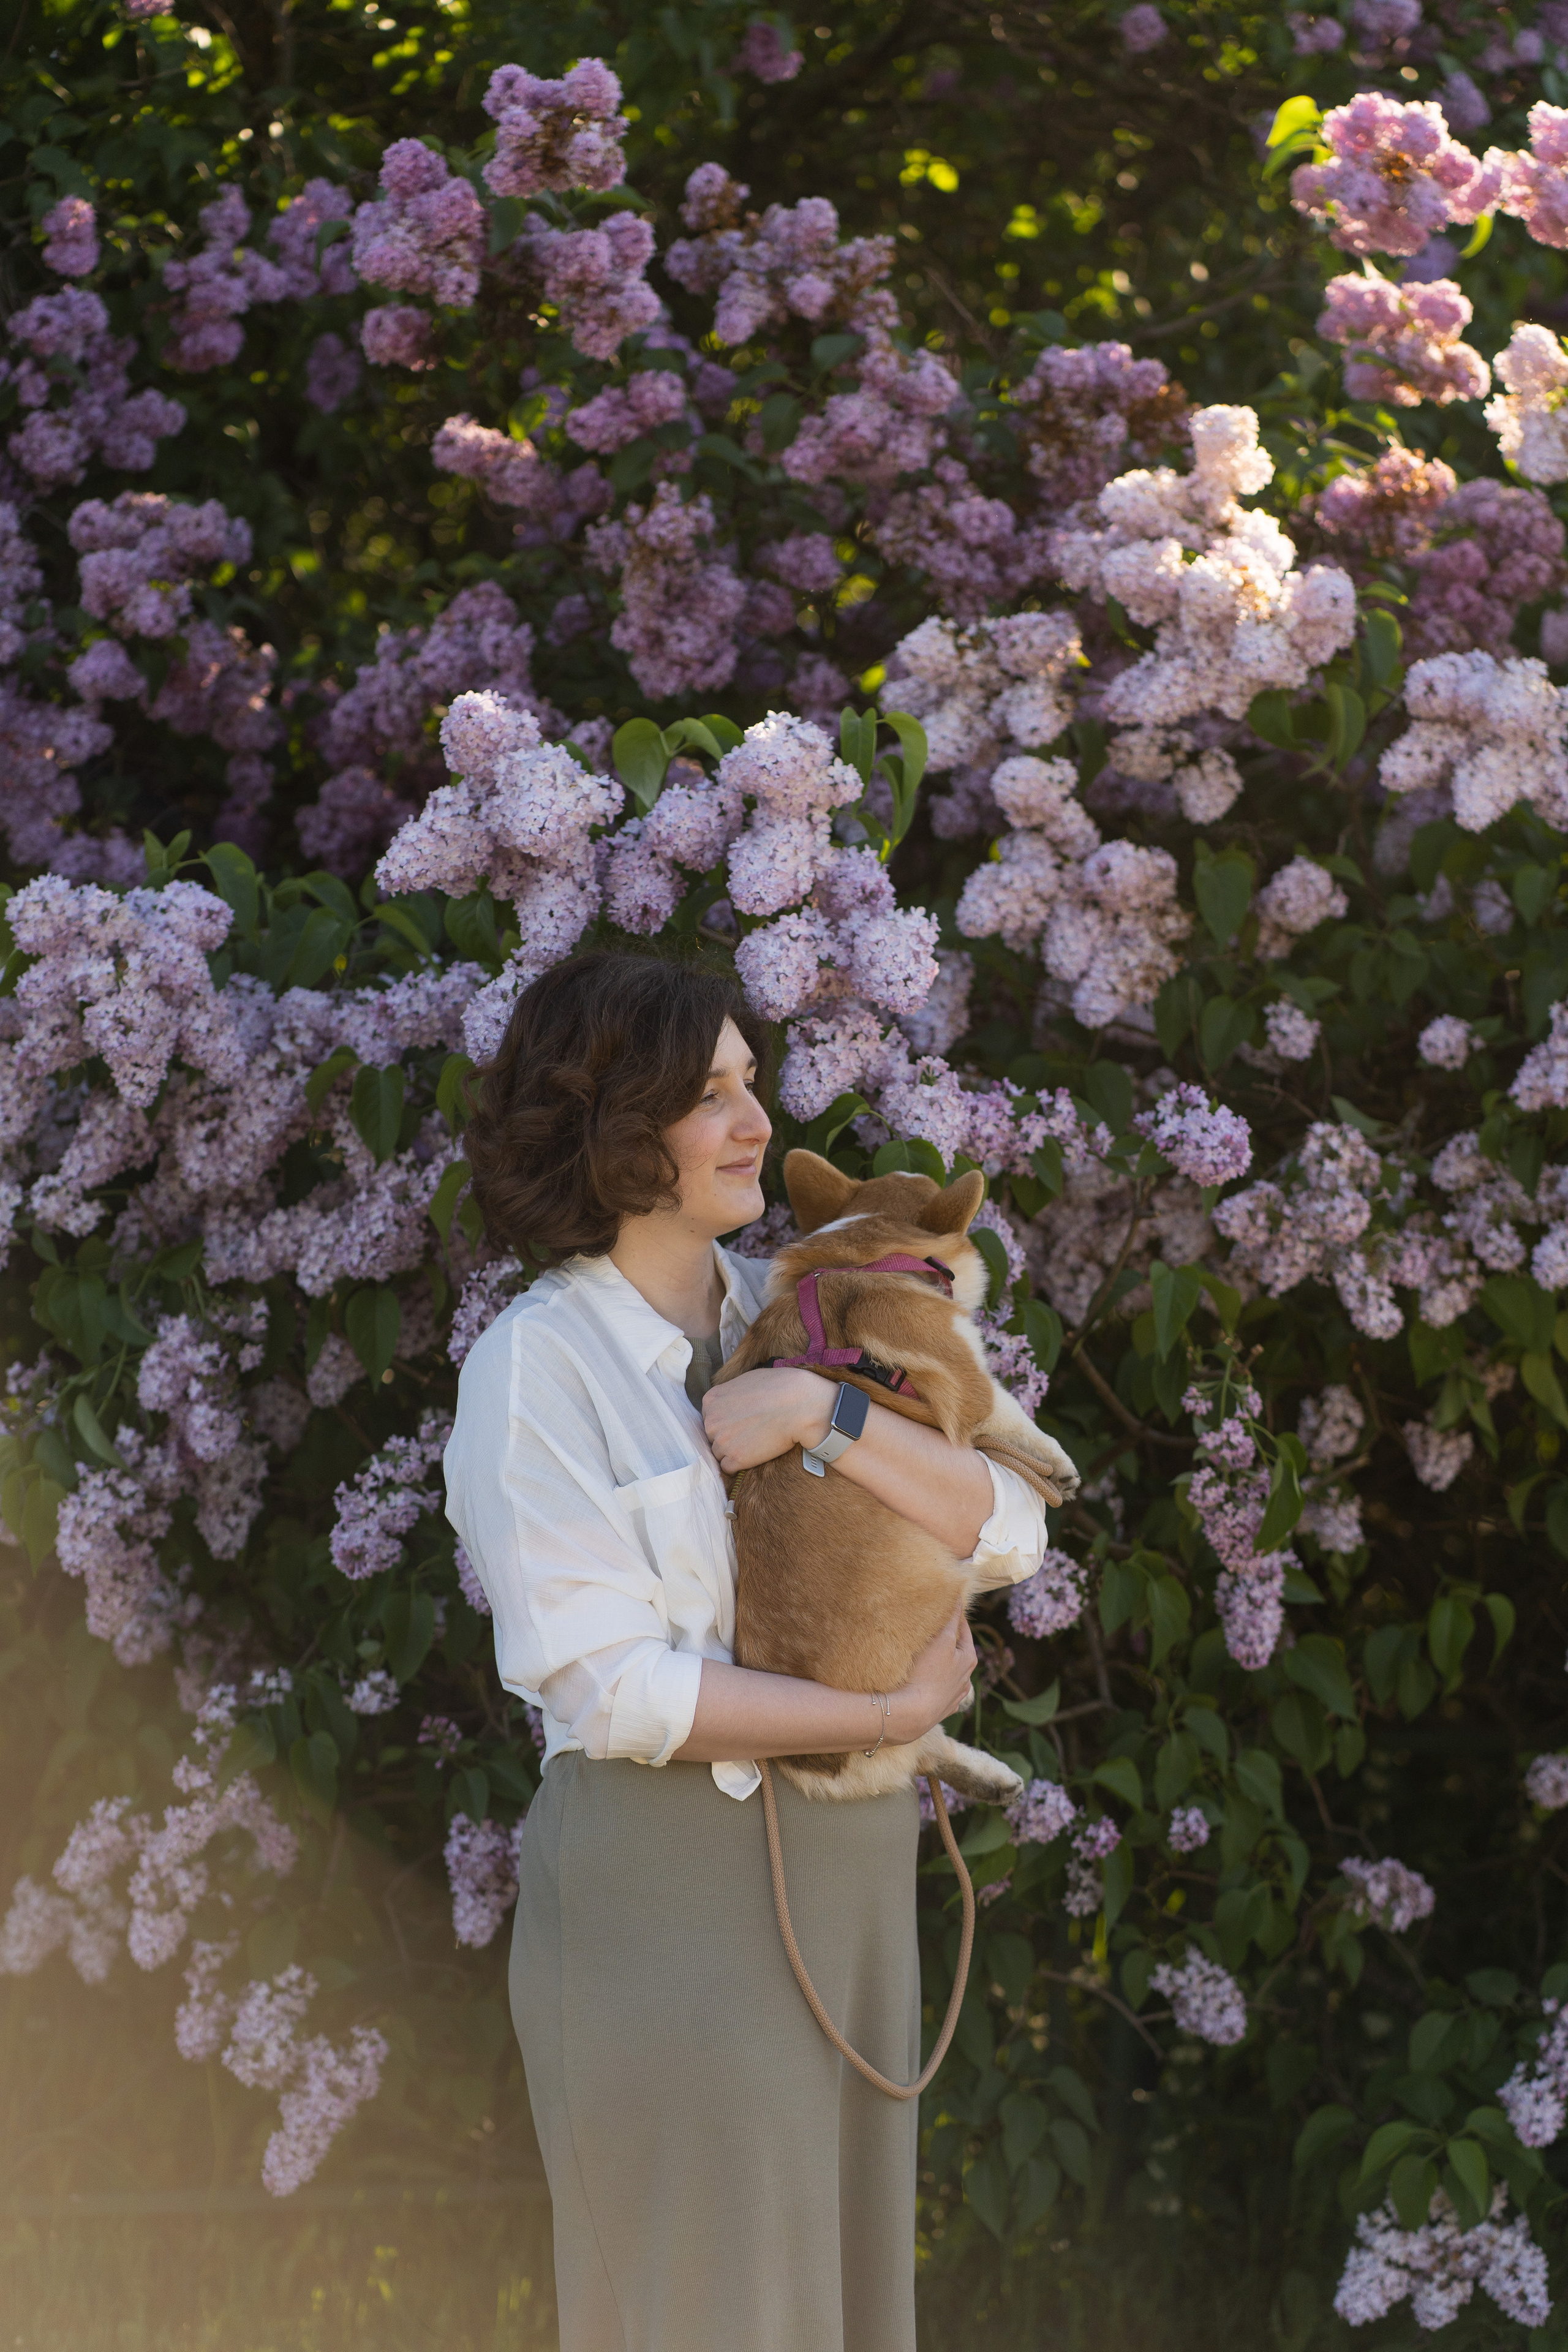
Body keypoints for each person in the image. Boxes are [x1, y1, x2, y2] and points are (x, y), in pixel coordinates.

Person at [443, 951, 1049, 2352]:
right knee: (717, 2315)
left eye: (750, 1080)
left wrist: (820, 1415)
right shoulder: (539, 1368)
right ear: (606, 1129)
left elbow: (1010, 1520)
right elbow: (615, 1691)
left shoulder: (810, 1309)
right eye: (705, 1093)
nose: (756, 1119)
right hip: (666, 1889)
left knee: (844, 2313)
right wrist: (893, 1703)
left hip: (849, 1877)